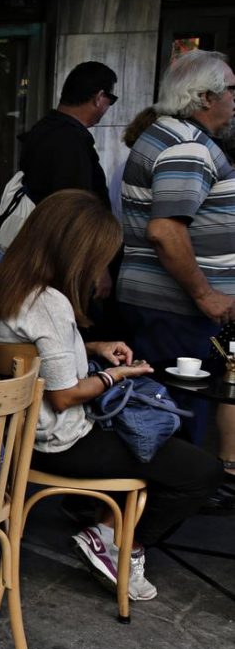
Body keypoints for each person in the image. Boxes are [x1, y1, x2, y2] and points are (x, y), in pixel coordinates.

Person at [0, 190, 221, 601]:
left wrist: (92, 348)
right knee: (200, 471)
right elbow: (65, 396)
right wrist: (115, 376)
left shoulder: (2, 287)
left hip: (16, 439)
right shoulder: (49, 302)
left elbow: (35, 356)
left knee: (160, 442)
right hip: (60, 443)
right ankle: (116, 542)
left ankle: (109, 528)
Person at [117, 49, 235, 448]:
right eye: (232, 92)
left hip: (165, 307)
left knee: (166, 405)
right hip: (178, 309)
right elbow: (165, 231)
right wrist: (206, 294)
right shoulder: (188, 145)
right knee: (177, 410)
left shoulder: (172, 135)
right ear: (205, 97)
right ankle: (173, 494)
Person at [17, 61, 119, 300]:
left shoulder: (45, 131)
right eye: (110, 100)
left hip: (46, 257)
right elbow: (75, 210)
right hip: (68, 266)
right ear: (99, 97)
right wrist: (96, 266)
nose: (107, 108)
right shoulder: (68, 141)